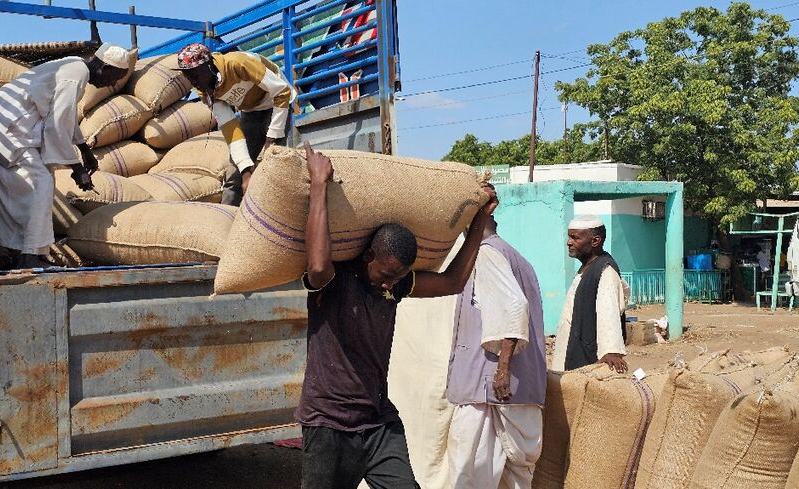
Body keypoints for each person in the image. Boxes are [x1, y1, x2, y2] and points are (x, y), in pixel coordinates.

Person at [299, 142, 497, 489]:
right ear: (368, 255)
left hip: (377, 422)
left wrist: (478, 224)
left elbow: (452, 282)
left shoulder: (397, 286)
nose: (390, 283)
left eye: (398, 277)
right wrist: (319, 184)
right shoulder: (334, 283)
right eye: (385, 274)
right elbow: (317, 263)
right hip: (328, 423)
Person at [0, 43, 130, 269]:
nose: (113, 84)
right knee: (41, 184)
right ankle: (29, 257)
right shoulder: (76, 74)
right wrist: (77, 169)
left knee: (30, 186)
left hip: (6, 126)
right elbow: (58, 124)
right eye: (115, 77)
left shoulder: (73, 67)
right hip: (9, 129)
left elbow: (62, 116)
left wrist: (85, 150)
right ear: (105, 68)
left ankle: (22, 252)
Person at [446, 214, 546, 489]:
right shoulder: (516, 257)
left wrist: (502, 369)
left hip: (488, 393)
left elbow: (513, 307)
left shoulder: (486, 254)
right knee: (513, 478)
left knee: (470, 473)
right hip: (512, 392)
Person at [174, 43, 295, 205]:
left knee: (274, 163)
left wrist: (271, 139)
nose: (193, 81)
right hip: (251, 111)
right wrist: (245, 172)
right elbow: (231, 130)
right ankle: (227, 218)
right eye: (188, 76)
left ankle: (280, 212)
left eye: (195, 74)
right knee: (234, 177)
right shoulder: (206, 91)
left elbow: (282, 91)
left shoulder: (238, 63)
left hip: (277, 104)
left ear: (209, 65)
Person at [550, 215, 629, 373]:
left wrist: (611, 351)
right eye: (569, 237)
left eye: (575, 238)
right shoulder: (587, 268)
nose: (569, 242)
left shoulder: (605, 270)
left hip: (590, 358)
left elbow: (609, 312)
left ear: (595, 241)